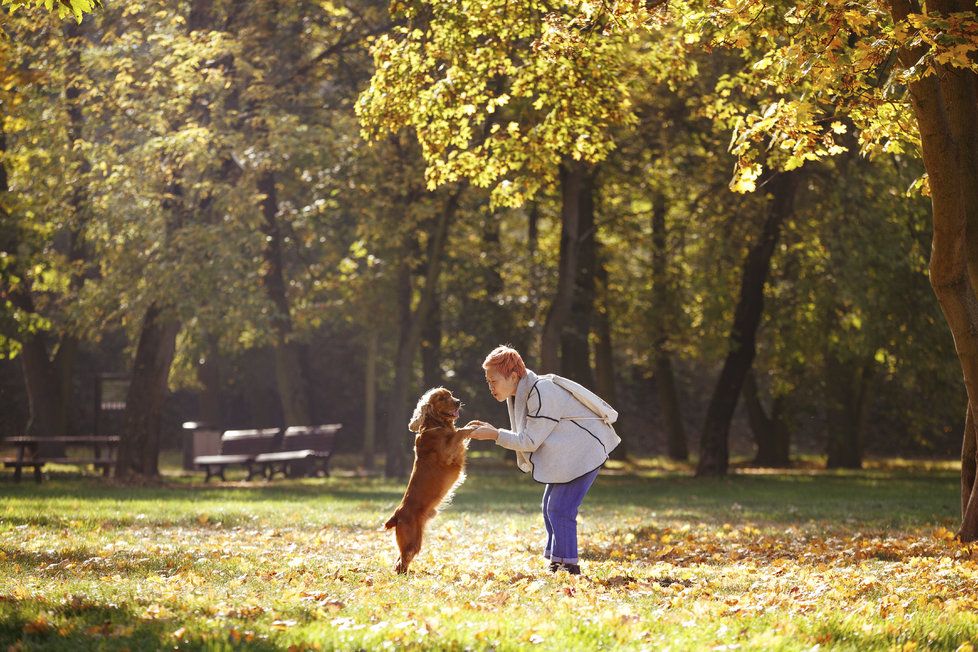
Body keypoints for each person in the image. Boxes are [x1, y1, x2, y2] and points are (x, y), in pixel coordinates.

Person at [468, 345, 620, 575]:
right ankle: (557, 562)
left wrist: (495, 435)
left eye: (494, 381)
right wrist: (493, 432)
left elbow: (529, 441)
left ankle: (569, 566)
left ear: (513, 376)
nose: (490, 387)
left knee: (560, 508)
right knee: (549, 506)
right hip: (569, 454)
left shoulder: (541, 392)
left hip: (584, 451)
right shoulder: (524, 392)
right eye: (488, 381)